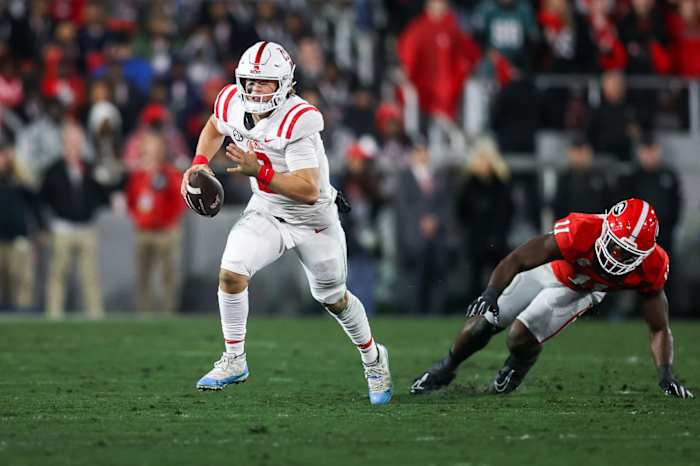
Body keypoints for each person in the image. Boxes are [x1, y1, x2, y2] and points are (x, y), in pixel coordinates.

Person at [180, 41, 392, 404]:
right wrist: (200, 161)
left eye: (264, 84)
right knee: (231, 272)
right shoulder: (232, 100)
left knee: (333, 298)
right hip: (267, 209)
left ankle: (373, 358)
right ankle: (235, 358)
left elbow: (308, 189)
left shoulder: (299, 119)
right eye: (249, 82)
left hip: (313, 220)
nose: (254, 90)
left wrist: (259, 169)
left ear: (286, 85)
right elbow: (215, 126)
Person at [410, 198, 693, 399]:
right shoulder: (581, 229)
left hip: (582, 290)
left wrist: (665, 374)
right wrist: (491, 292)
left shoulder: (654, 265)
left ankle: (517, 366)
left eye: (627, 255)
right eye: (615, 247)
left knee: (518, 336)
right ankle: (445, 368)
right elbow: (519, 257)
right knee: (481, 325)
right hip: (547, 272)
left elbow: (658, 326)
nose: (617, 258)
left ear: (645, 254)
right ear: (606, 228)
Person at [39, 123, 110, 319]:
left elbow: (103, 195)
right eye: (71, 142)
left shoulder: (89, 167)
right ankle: (54, 315)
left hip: (86, 227)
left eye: (78, 142)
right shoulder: (54, 169)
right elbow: (43, 199)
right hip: (63, 227)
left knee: (90, 277)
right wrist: (46, 225)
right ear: (64, 143)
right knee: (57, 275)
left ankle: (95, 315)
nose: (75, 147)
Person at [126, 131, 186, 313]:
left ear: (160, 149)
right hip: (144, 231)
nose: (148, 150)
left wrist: (164, 220)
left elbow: (179, 201)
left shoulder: (169, 173)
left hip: (164, 232)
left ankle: (168, 312)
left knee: (168, 276)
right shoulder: (138, 175)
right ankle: (143, 313)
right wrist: (139, 219)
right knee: (142, 275)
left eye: (152, 145)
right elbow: (131, 199)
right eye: (146, 145)